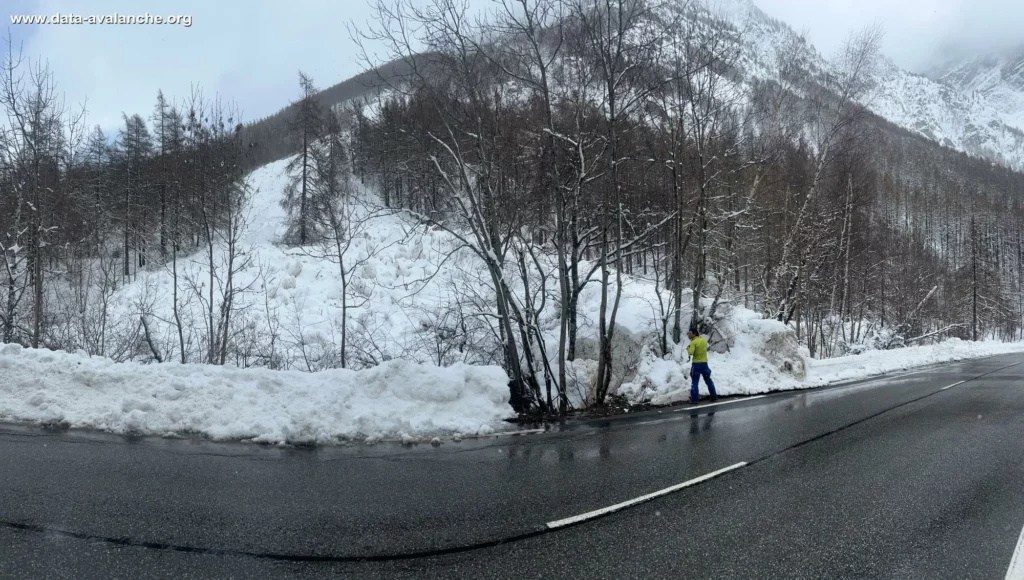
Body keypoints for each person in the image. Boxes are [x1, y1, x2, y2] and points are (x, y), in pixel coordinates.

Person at [687, 328, 718, 404]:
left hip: (696, 364)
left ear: (694, 334)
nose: (688, 334)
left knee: (695, 381)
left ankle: (694, 399)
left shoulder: (693, 342)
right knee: (708, 380)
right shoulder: (704, 341)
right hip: (704, 364)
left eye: (690, 333)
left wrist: (688, 348)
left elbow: (691, 353)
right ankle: (714, 397)